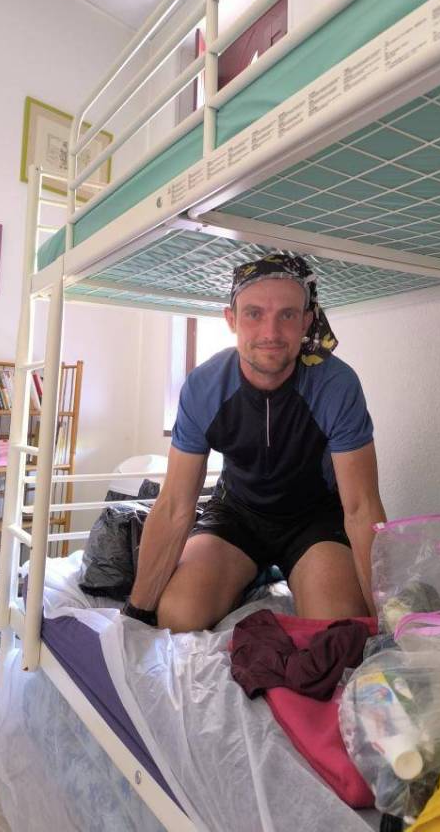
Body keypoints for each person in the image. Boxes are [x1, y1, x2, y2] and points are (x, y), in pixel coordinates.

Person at [123, 253, 386, 632]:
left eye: (287, 315)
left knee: (336, 628)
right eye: (254, 314)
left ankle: (286, 570)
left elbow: (362, 508)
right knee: (178, 616)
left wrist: (385, 620)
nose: (270, 333)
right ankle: (250, 573)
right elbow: (175, 504)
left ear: (306, 321)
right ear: (231, 319)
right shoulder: (204, 386)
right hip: (237, 514)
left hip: (312, 519)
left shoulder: (335, 385)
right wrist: (136, 613)